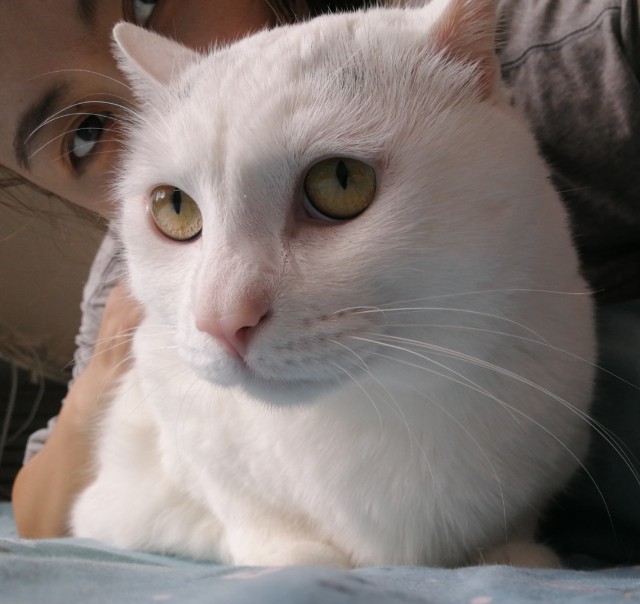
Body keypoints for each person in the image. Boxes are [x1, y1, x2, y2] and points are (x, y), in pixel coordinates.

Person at [2, 0, 639, 561]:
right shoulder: (121, 276)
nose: (221, 317)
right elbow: (46, 504)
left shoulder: (565, 49)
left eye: (338, 185)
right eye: (178, 211)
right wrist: (252, 527)